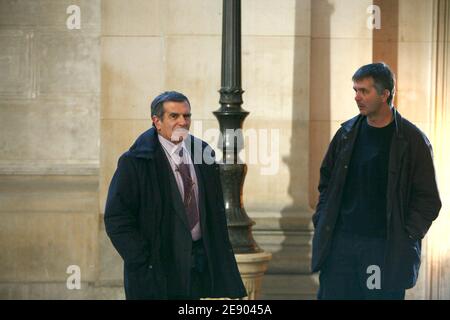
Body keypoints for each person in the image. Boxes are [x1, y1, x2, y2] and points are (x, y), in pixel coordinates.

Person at [311, 62, 442, 300]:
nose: (357, 97)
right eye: (355, 90)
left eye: (364, 91)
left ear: (385, 94)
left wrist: (407, 234)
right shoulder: (346, 134)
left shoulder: (412, 141)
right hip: (340, 245)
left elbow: (428, 200)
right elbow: (326, 182)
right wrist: (321, 218)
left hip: (382, 249)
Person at [104, 91, 246, 300]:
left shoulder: (204, 153)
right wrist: (143, 260)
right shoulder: (135, 162)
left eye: (186, 116)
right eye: (174, 116)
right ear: (156, 121)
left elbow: (213, 213)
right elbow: (116, 218)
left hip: (199, 266)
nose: (182, 122)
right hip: (158, 270)